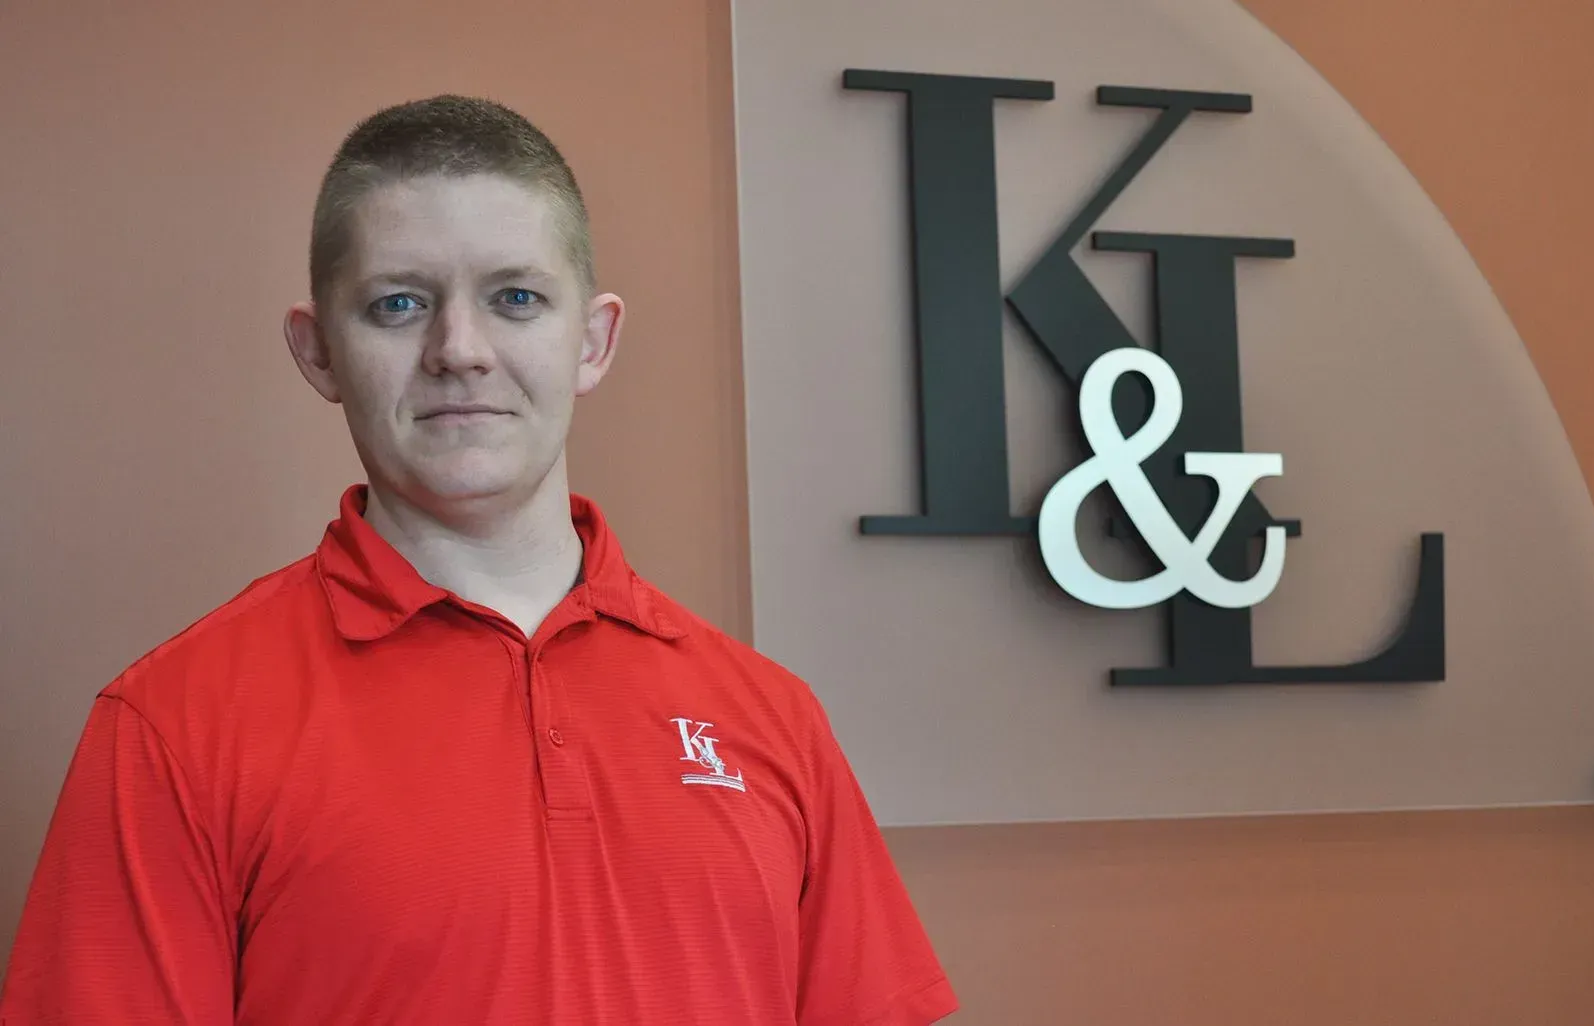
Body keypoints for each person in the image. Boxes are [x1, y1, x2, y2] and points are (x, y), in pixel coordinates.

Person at [0, 95, 958, 1025]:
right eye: (399, 303)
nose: (459, 349)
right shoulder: (173, 725)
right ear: (318, 350)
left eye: (516, 298)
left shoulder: (769, 716)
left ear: (593, 340)